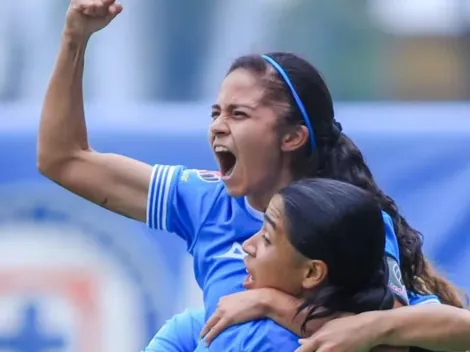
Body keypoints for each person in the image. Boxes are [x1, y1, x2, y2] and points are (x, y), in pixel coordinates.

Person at [37, 1, 470, 351]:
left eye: (238, 114)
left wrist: (269, 303)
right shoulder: (204, 199)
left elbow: (386, 330)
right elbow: (64, 159)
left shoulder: (344, 219)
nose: (218, 126)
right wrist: (75, 40)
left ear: (292, 137)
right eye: (215, 112)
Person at [196, 178, 399, 351]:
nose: (247, 245)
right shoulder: (231, 310)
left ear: (312, 272)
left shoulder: (262, 338)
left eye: (267, 238)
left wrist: (268, 303)